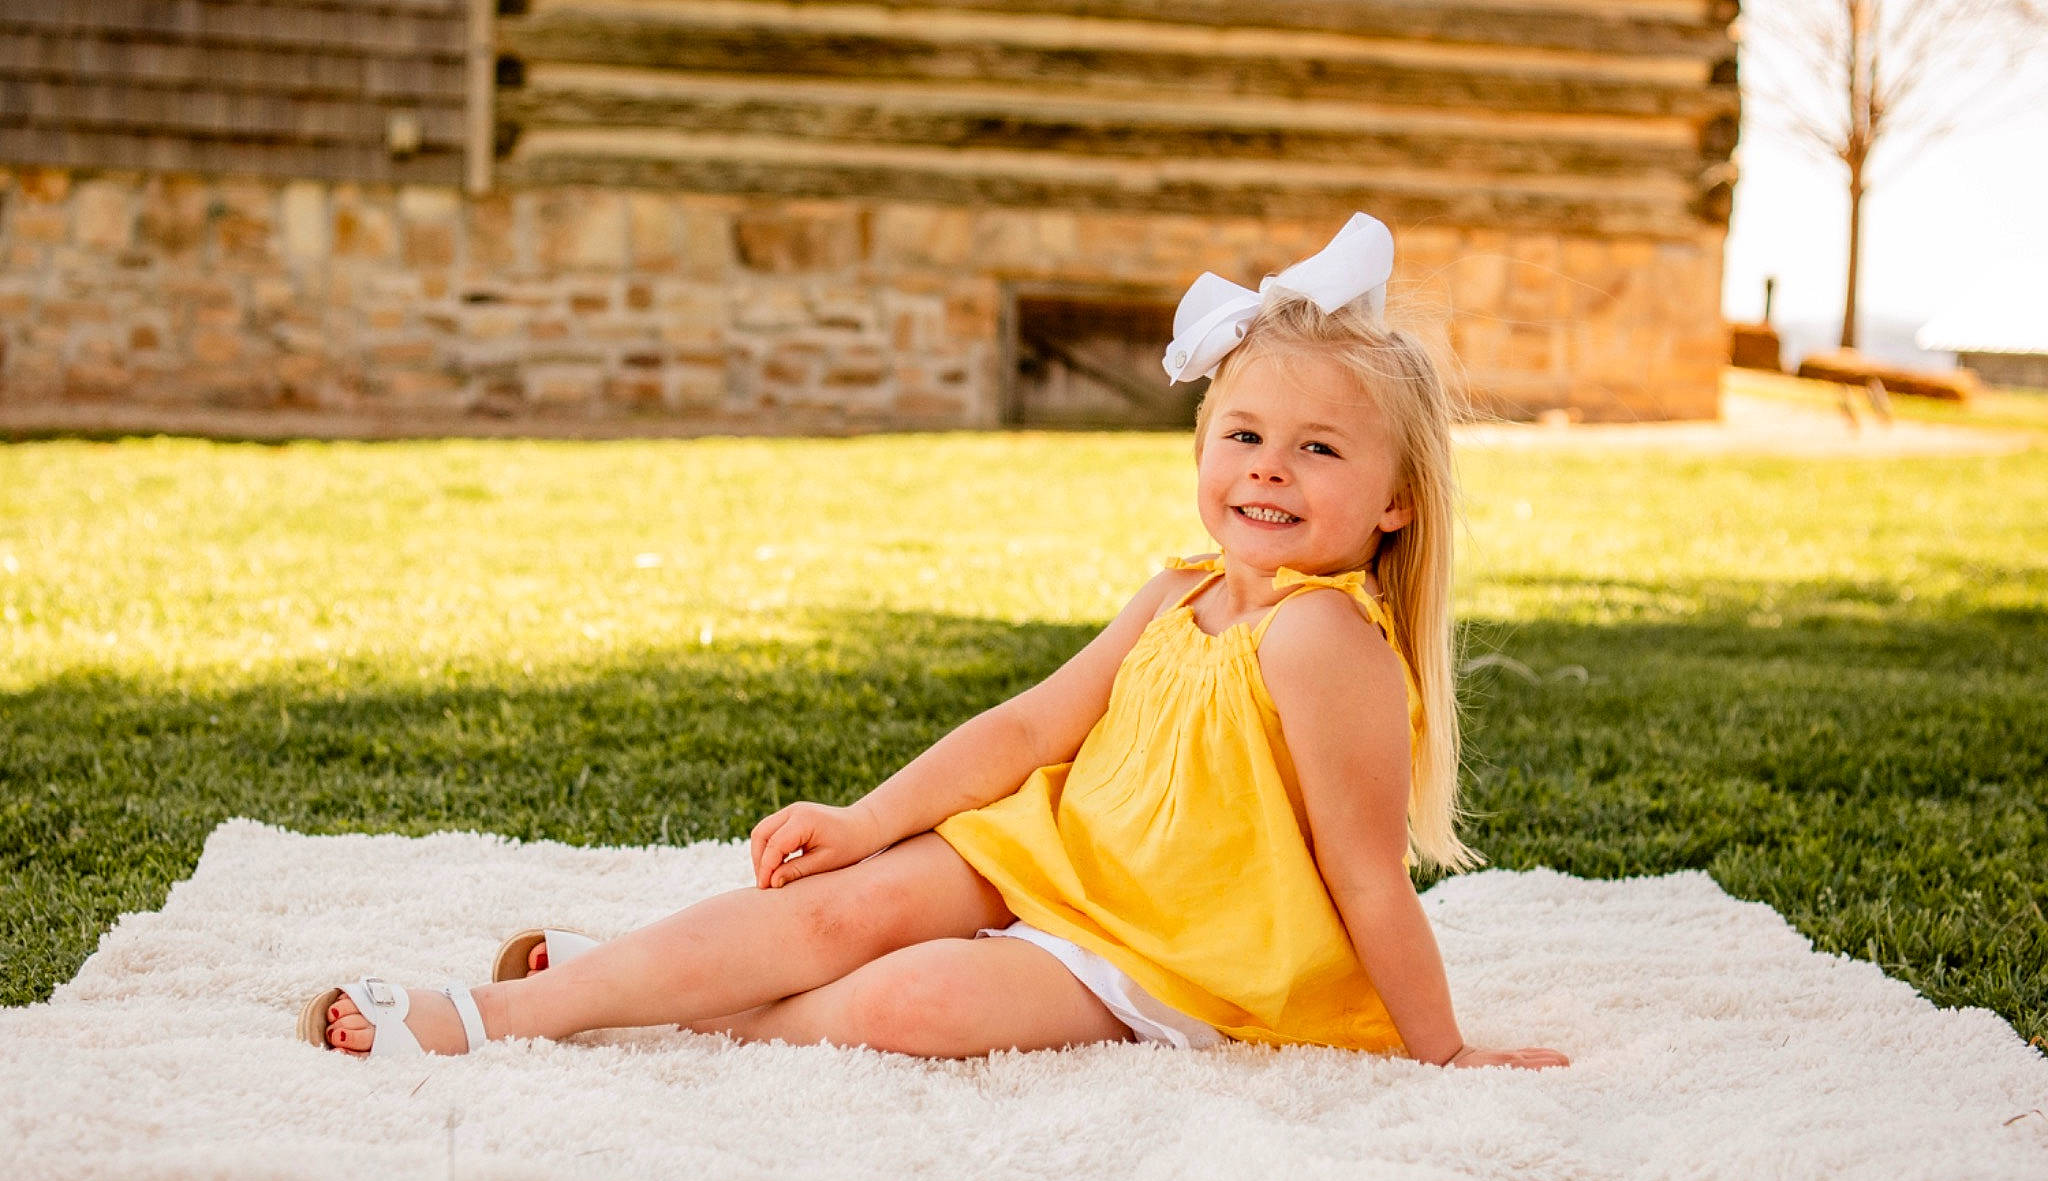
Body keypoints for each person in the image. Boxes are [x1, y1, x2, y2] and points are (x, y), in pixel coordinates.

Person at [302, 213, 1569, 1071]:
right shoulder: (1178, 592)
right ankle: (495, 1012)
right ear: (1200, 446)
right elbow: (1029, 729)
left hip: (1169, 950)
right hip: (1055, 852)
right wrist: (866, 820)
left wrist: (1443, 1054)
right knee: (837, 909)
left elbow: (1365, 879)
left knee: (916, 1001)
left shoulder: (1323, 645)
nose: (1266, 473)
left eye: (1318, 450)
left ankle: (665, 1009)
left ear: (1395, 499)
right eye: (1241, 436)